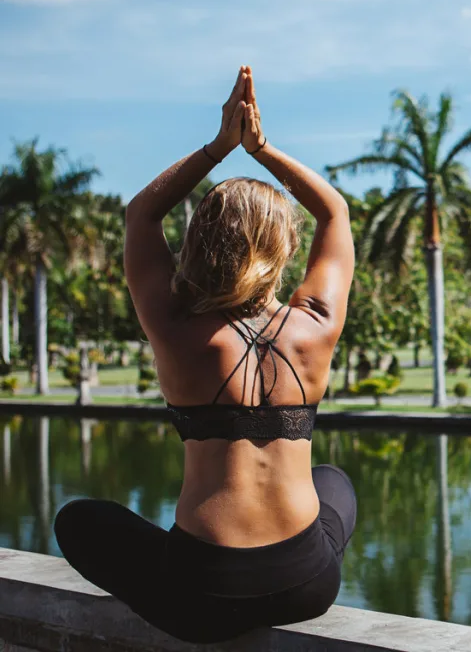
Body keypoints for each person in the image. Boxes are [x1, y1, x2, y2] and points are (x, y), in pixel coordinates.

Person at [54, 66, 356, 644]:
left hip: (201, 594)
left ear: (197, 243)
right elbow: (335, 212)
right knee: (333, 481)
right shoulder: (313, 325)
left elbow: (140, 214)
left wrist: (219, 147)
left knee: (78, 520)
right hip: (310, 586)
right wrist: (261, 149)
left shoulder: (173, 327)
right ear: (283, 247)